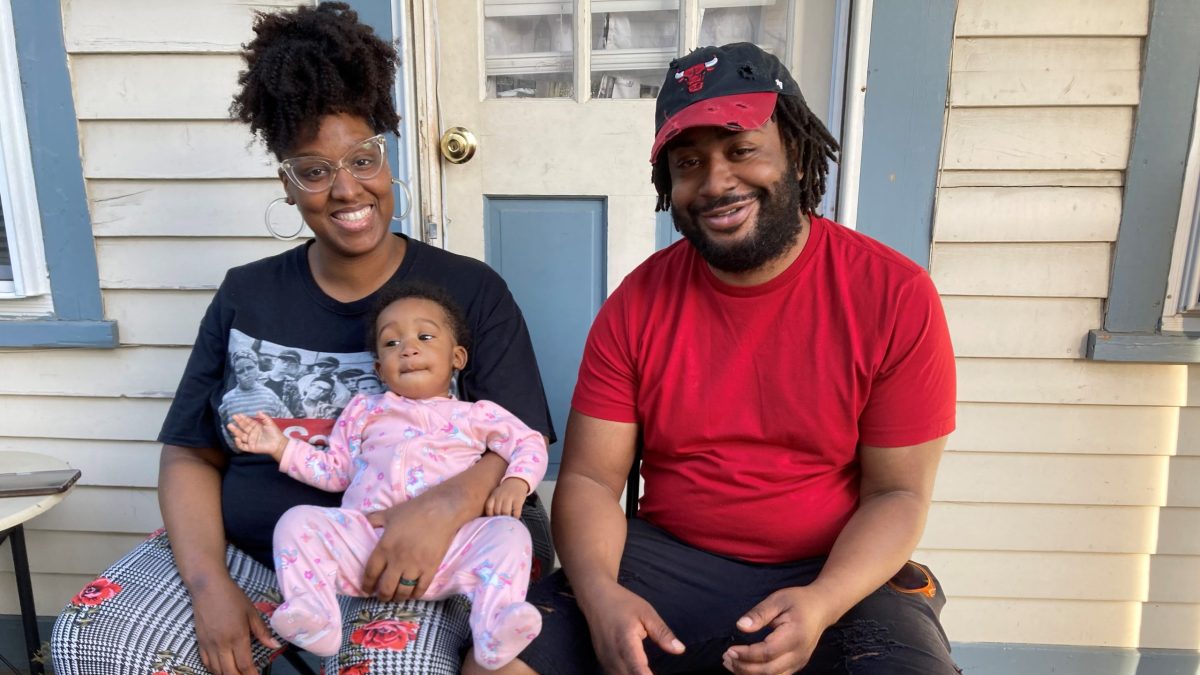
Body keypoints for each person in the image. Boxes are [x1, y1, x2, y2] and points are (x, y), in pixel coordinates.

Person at [50, 5, 555, 675]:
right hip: (251, 554)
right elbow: (191, 454)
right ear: (287, 185)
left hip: (413, 558)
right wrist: (209, 588)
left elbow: (515, 440)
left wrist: (440, 509)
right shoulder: (246, 294)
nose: (346, 188)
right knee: (89, 642)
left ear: (385, 153)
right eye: (314, 170)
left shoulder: (468, 290)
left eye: (362, 159)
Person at [480, 42, 958, 674]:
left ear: (793, 148)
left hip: (835, 569)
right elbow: (594, 480)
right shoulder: (638, 303)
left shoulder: (893, 294)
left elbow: (897, 494)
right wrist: (599, 597)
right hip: (670, 558)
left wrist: (821, 603)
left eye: (741, 149)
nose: (715, 182)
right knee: (499, 664)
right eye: (689, 162)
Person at [228, 283, 545, 669]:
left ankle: (494, 624)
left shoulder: (477, 414)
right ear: (379, 368)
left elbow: (529, 442)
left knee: (509, 533)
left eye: (425, 337)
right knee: (296, 522)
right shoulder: (365, 410)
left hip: (452, 547)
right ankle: (317, 616)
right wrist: (281, 447)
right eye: (391, 343)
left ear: (457, 357)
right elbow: (335, 470)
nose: (408, 348)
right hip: (367, 551)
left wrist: (517, 481)